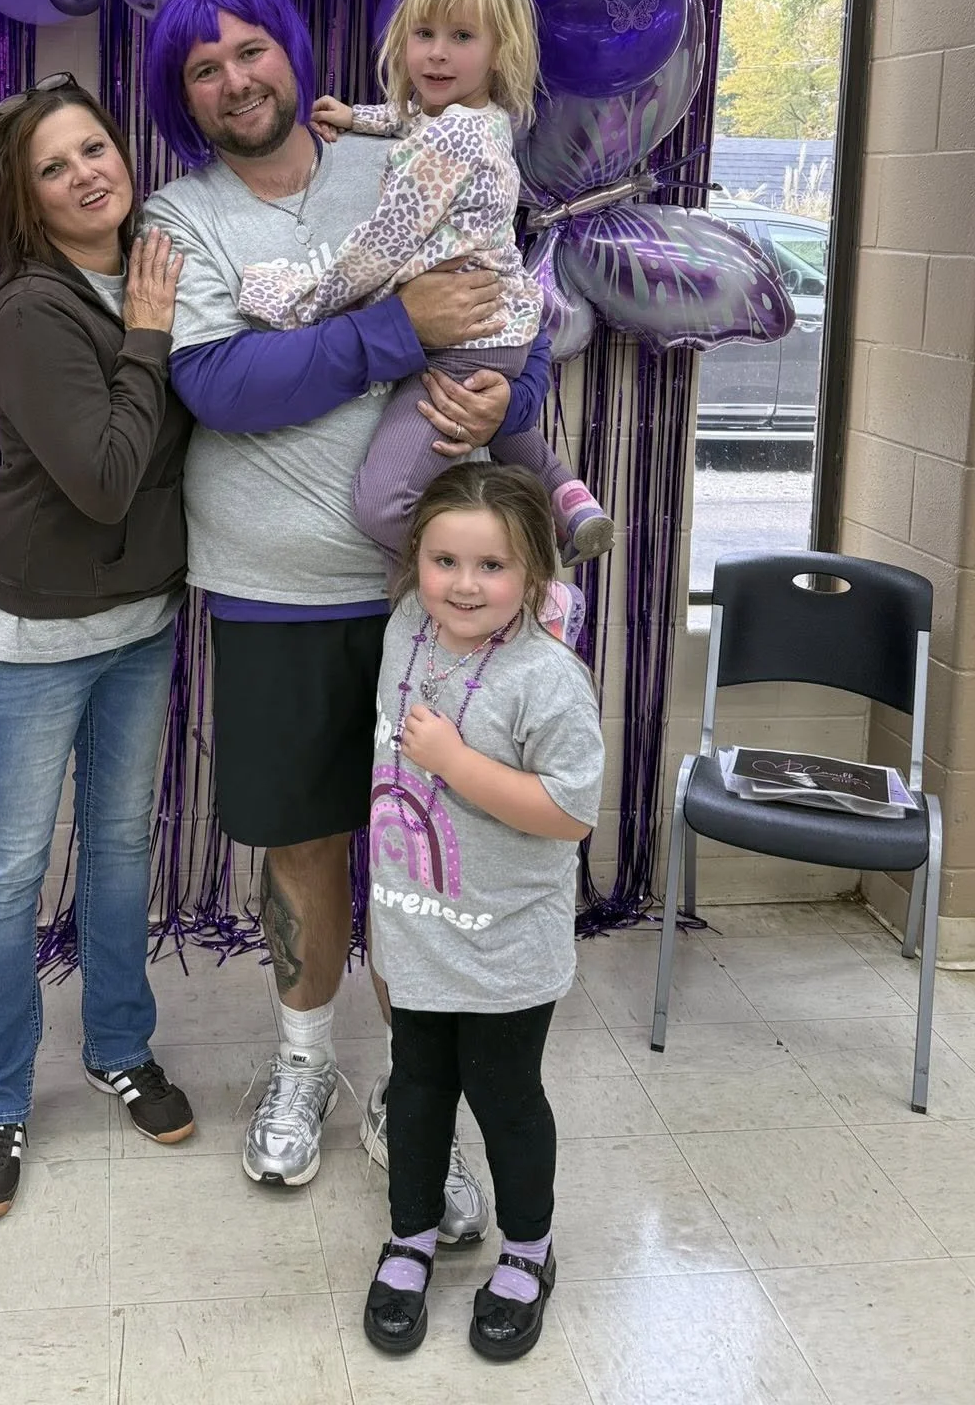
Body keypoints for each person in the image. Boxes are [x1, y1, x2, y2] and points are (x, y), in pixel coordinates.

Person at [142, 0, 540, 1230]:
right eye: (204, 69)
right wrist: (396, 325)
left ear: (290, 52)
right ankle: (307, 1065)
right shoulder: (180, 215)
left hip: (434, 598)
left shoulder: (411, 155)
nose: (235, 81)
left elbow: (496, 315)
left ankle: (416, 1100)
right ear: (185, 98)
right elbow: (222, 385)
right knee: (306, 846)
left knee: (428, 850)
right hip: (270, 591)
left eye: (250, 52)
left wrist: (504, 404)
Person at [0, 74, 196, 1223]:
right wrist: (148, 338)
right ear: (28, 198)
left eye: (93, 145)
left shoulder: (159, 255)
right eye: (55, 165)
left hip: (140, 618)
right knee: (3, 876)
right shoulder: (33, 309)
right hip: (34, 636)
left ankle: (119, 1048)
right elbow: (102, 479)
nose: (87, 171)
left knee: (116, 852)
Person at [239, 0, 612, 567]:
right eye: (423, 33)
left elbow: (379, 249)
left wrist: (298, 301)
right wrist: (358, 116)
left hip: (457, 342)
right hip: (505, 326)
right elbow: (414, 118)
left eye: (462, 36)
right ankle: (568, 502)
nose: (437, 52)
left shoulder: (445, 141)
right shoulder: (487, 118)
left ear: (502, 51)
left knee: (383, 504)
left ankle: (518, 577)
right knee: (501, 426)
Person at [361, 462, 603, 1363]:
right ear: (415, 563)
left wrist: (456, 763)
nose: (465, 584)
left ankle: (529, 1252)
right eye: (445, 560)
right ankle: (411, 1237)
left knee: (503, 1094)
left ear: (534, 574)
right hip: (414, 924)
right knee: (418, 1086)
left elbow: (570, 812)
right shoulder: (404, 632)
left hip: (506, 940)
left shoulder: (549, 680)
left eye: (492, 567)